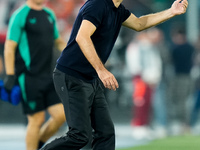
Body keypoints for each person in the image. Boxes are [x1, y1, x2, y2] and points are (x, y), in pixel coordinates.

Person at [40, 0, 188, 149]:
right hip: (72, 75)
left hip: (90, 78)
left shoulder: (118, 10)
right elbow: (82, 37)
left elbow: (139, 24)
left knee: (105, 133)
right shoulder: (97, 4)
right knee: (79, 136)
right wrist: (101, 70)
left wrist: (171, 12)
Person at [3, 0, 66, 150]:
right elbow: (9, 46)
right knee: (36, 120)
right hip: (28, 76)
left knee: (61, 116)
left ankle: (37, 145)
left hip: (48, 75)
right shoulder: (20, 15)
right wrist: (10, 74)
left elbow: (58, 41)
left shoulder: (49, 14)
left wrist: (73, 53)